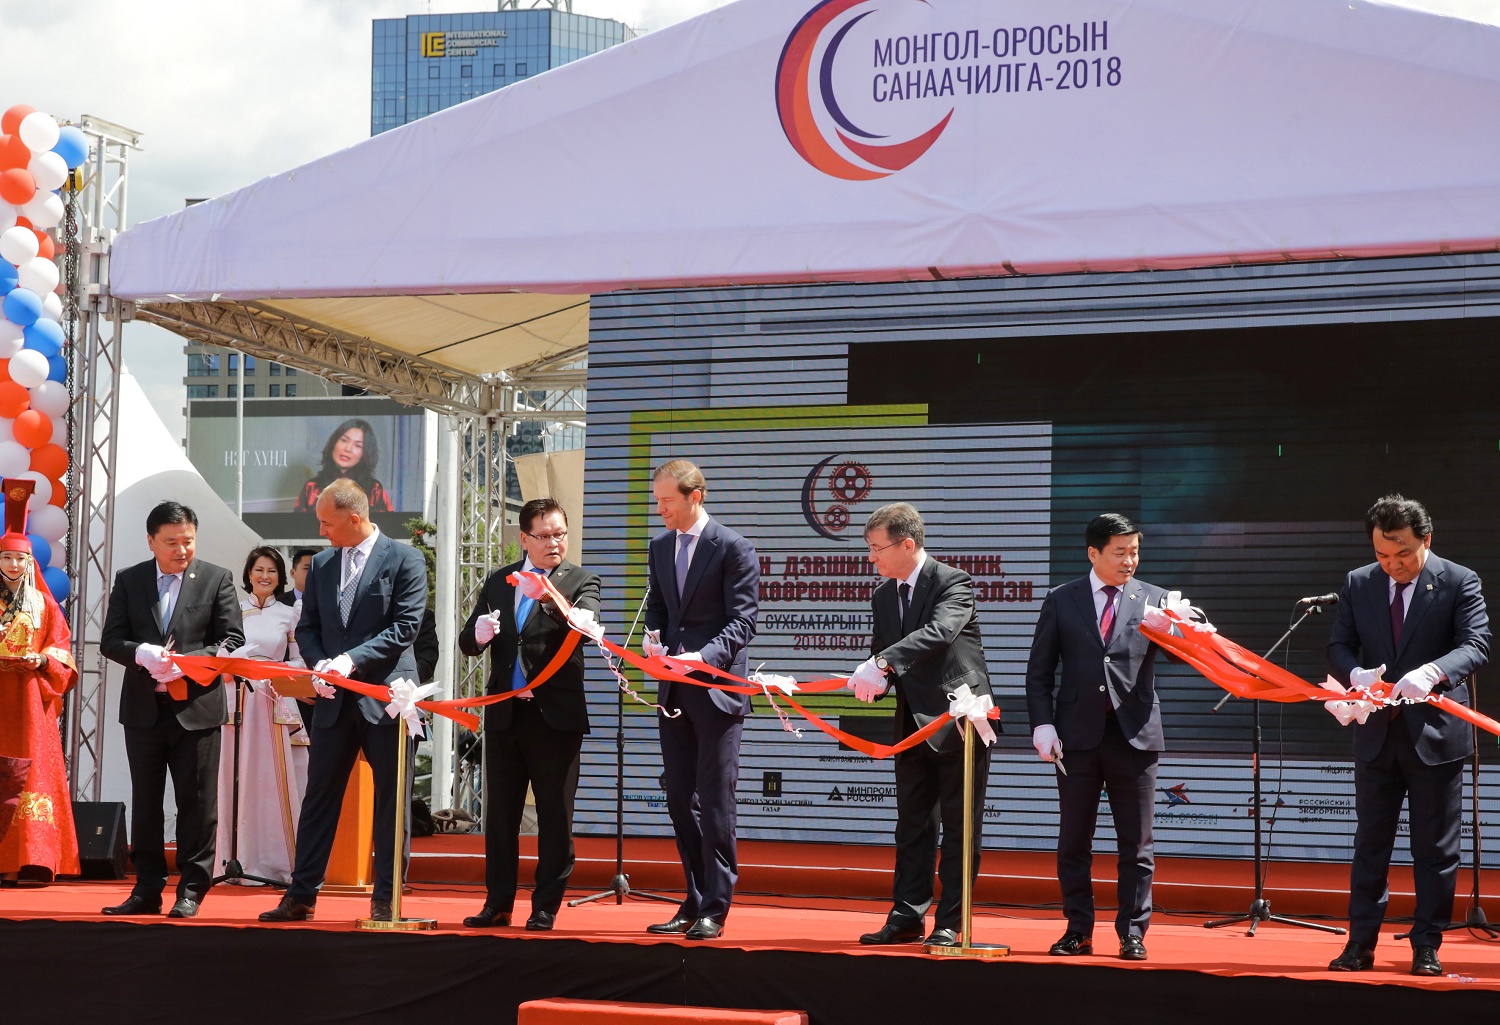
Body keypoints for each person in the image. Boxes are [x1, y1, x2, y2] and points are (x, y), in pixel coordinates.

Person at [1325, 494, 1489, 977]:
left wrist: (1434, 671)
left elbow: (1476, 644)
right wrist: (1354, 673)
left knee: (1434, 848)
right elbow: (1339, 644)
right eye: (1382, 555)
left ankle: (1426, 944)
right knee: (1370, 844)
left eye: (1402, 554)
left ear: (1426, 540)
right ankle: (1360, 943)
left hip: (1435, 736)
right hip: (1377, 733)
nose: (1392, 565)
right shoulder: (1359, 582)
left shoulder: (1458, 580)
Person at [260, 479, 427, 923]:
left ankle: (386, 898)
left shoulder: (405, 558)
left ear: (355, 518)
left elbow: (405, 627)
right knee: (319, 797)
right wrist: (320, 664)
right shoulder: (322, 564)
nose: (322, 532)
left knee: (391, 801)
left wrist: (350, 660)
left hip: (386, 697)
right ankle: (301, 894)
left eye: (327, 523)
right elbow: (308, 627)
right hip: (333, 699)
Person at [847, 503, 995, 947]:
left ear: (907, 544)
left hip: (959, 721)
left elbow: (939, 633)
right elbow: (884, 652)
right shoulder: (882, 596)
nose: (871, 557)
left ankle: (951, 921)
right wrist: (876, 680)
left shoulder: (953, 582)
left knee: (959, 826)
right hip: (912, 723)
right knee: (912, 824)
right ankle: (907, 916)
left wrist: (881, 662)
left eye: (877, 548)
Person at [1024, 513, 1170, 961]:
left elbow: (1184, 655)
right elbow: (1039, 671)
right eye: (1119, 552)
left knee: (1137, 844)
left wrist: (1184, 627)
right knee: (1074, 841)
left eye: (1135, 552)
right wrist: (1042, 724)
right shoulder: (1062, 598)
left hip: (1134, 735)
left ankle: (1133, 933)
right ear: (1093, 553)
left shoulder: (1156, 599)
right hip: (1076, 738)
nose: (1129, 561)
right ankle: (1078, 929)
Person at [459, 498, 601, 931]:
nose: (554, 542)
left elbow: (586, 628)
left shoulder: (581, 579)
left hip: (554, 717)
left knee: (555, 816)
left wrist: (551, 599)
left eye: (560, 534)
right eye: (544, 536)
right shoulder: (500, 580)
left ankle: (545, 906)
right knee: (501, 815)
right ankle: (498, 903)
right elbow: (468, 641)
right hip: (505, 715)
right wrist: (478, 635)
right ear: (524, 538)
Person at [100, 500, 244, 918]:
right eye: (171, 542)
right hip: (144, 711)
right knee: (146, 802)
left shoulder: (216, 578)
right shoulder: (130, 580)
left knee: (196, 804)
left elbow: (232, 639)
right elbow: (111, 640)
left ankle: (192, 890)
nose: (181, 550)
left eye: (188, 541)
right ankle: (146, 888)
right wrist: (141, 653)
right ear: (151, 541)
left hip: (196, 710)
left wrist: (189, 663)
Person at [643, 459, 759, 940]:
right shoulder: (659, 547)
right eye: (657, 501)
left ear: (696, 496)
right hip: (673, 691)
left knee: (714, 802)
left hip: (716, 692)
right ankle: (692, 899)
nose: (661, 509)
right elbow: (659, 609)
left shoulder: (733, 547)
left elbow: (743, 621)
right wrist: (652, 641)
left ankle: (716, 905)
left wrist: (703, 657)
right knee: (678, 799)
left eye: (668, 500)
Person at [0, 478, 79, 886]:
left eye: (20, 559)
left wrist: (43, 659)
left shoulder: (44, 604)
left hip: (29, 699)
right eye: (7, 558)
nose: (14, 565)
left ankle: (32, 859)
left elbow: (62, 649)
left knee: (30, 773)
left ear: (30, 562)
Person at [215, 546, 309, 885]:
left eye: (271, 570)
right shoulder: (232, 611)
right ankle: (229, 859)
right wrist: (231, 664)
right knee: (231, 777)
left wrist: (273, 670)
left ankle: (273, 862)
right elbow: (219, 654)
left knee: (271, 780)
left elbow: (302, 660)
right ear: (248, 575)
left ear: (281, 577)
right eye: (259, 570)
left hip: (271, 700)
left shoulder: (290, 614)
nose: (264, 576)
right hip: (236, 700)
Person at [293, 419, 393, 515]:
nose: (348, 449)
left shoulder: (375, 490)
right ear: (334, 443)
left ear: (365, 454)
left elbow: (387, 524)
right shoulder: (312, 487)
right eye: (344, 440)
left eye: (358, 445)